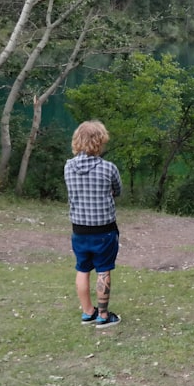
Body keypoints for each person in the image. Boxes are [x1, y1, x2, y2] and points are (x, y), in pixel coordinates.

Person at [64, 120, 123, 328]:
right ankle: (103, 316)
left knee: (82, 269)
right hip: (104, 231)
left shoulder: (68, 167)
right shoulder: (108, 168)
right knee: (103, 270)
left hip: (78, 230)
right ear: (100, 142)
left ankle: (88, 312)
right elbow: (118, 191)